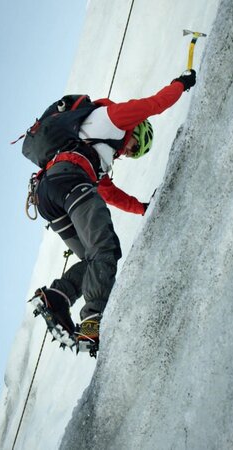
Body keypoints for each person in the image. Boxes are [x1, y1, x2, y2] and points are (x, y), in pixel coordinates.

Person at [32, 70, 197, 352]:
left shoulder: (97, 151)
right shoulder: (113, 119)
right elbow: (155, 104)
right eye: (136, 147)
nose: (130, 153)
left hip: (48, 194)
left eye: (135, 154)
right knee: (105, 250)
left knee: (92, 260)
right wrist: (181, 84)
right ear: (138, 131)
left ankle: (57, 297)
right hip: (69, 180)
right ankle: (92, 323)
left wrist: (142, 208)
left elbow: (108, 193)